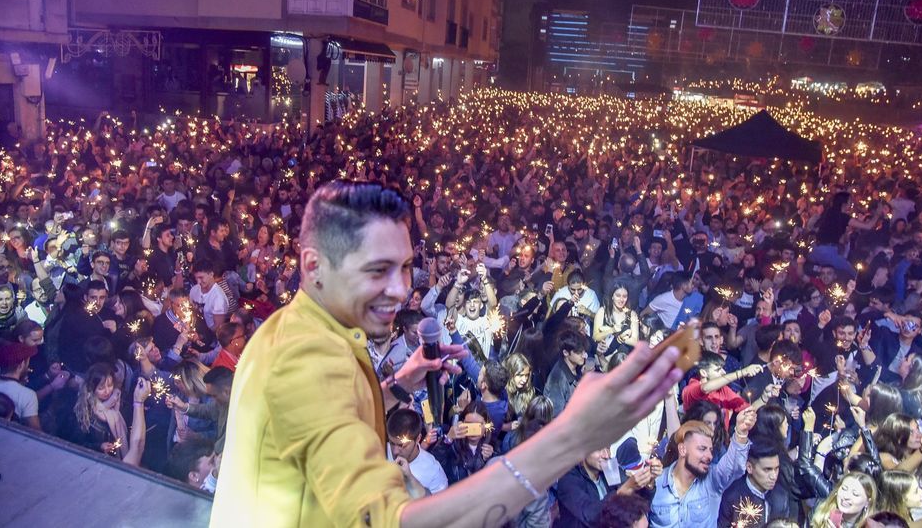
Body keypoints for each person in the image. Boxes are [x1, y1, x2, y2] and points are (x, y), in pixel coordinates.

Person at [210, 181, 684, 527]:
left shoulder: (297, 332)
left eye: (406, 268)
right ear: (313, 266)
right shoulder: (308, 357)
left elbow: (325, 426)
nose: (399, 290)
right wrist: (571, 437)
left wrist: (394, 389)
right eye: (377, 270)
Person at [650, 409, 757, 527]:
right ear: (682, 449)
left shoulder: (713, 480)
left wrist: (741, 433)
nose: (709, 456)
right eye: (702, 449)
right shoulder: (655, 483)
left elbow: (734, 467)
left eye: (710, 450)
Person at [717, 438, 792, 527]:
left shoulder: (781, 496)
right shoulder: (732, 496)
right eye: (767, 469)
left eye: (776, 469)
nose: (774, 476)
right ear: (749, 467)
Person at [387, 408, 449, 495]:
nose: (395, 451)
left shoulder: (433, 473)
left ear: (418, 439)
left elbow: (439, 507)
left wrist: (411, 480)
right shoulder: (378, 452)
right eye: (392, 443)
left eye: (402, 445)